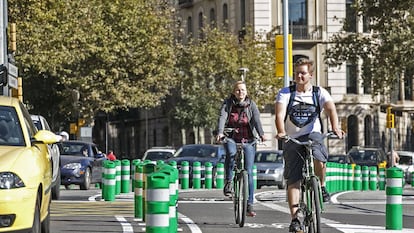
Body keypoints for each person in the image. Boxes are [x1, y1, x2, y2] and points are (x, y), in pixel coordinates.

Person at [274, 58, 344, 232]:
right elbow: (279, 114)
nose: (299, 76)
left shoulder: (319, 92)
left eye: (303, 73)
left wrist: (335, 127)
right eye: (297, 73)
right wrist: (281, 131)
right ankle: (295, 219)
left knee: (319, 159)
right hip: (292, 138)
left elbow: (330, 109)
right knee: (293, 179)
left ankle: (321, 186)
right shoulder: (285, 93)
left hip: (313, 134)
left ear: (310, 75)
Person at [216, 80, 266, 217]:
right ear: (234, 92)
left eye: (243, 90)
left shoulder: (251, 105)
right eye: (238, 90)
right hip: (231, 137)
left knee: (249, 171)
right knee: (231, 154)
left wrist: (261, 134)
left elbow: (256, 120)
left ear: (246, 92)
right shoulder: (228, 104)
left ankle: (250, 204)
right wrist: (220, 132)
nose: (240, 92)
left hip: (248, 139)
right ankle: (229, 182)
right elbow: (222, 117)